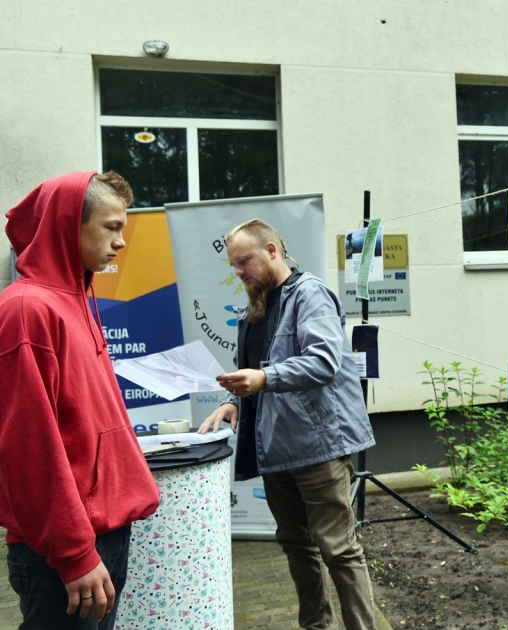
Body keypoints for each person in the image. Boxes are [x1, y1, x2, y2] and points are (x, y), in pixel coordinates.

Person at [197, 218, 377, 630]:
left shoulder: (309, 294)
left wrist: (264, 379)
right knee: (297, 545)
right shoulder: (256, 304)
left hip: (320, 446)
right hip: (276, 447)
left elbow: (324, 361)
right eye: (234, 265)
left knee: (337, 548)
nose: (239, 271)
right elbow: (254, 368)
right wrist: (232, 401)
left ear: (273, 251)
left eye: (245, 261)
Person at [0, 171, 161, 629]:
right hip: (64, 550)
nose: (121, 242)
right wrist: (73, 555)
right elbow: (29, 450)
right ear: (70, 223)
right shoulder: (26, 311)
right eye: (111, 227)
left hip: (102, 534)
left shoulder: (76, 300)